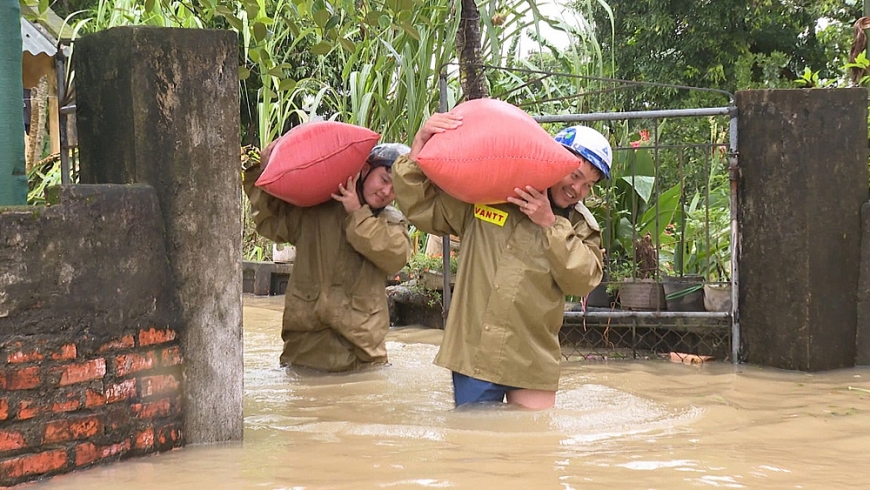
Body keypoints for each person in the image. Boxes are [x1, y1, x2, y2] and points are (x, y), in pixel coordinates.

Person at [392, 112, 610, 409]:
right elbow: (421, 205)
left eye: (589, 185)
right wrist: (419, 142)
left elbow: (582, 281)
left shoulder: (581, 226)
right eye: (575, 176)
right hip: (476, 350)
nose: (578, 190)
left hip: (532, 356)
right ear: (555, 160)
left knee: (533, 435)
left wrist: (551, 224)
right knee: (473, 435)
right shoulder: (491, 192)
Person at [243, 139, 413, 372]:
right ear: (365, 170)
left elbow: (395, 257)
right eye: (384, 180)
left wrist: (357, 214)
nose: (386, 192)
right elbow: (271, 221)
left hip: (362, 355)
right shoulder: (317, 207)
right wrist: (264, 174)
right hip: (305, 347)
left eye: (395, 189)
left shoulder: (391, 223)